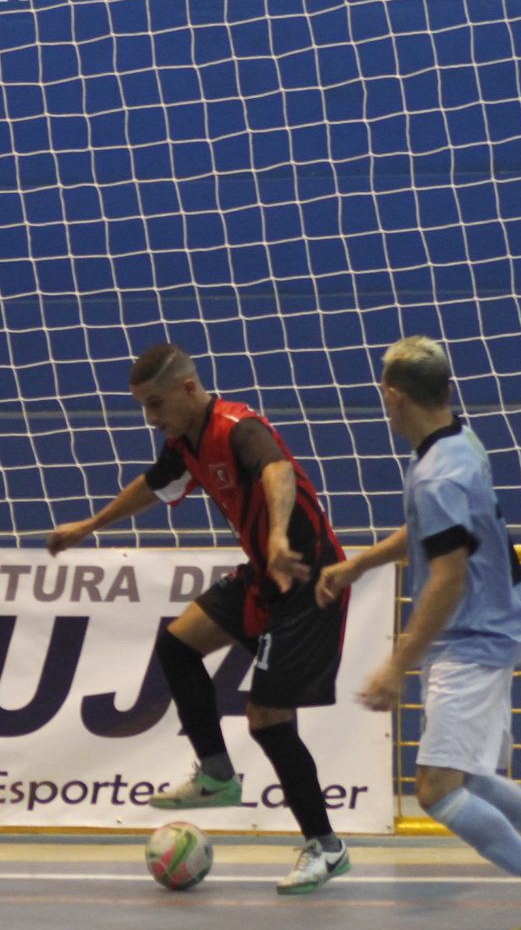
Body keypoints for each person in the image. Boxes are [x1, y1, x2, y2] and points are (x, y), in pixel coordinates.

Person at [317, 336, 521, 930]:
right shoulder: (457, 442)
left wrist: (396, 665)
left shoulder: (440, 474)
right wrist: (360, 565)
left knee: (435, 790)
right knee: (472, 779)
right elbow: (430, 533)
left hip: (473, 637)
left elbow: (449, 577)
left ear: (393, 396)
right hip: (489, 627)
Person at [49, 342, 353, 894]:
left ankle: (326, 847)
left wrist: (280, 535)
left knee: (268, 719)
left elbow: (278, 470)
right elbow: (150, 486)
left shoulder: (238, 426)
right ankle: (216, 773)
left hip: (309, 580)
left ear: (189, 389)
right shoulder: (183, 443)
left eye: (156, 403)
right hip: (264, 575)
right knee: (178, 644)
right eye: (144, 406)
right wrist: (88, 526)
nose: (151, 417)